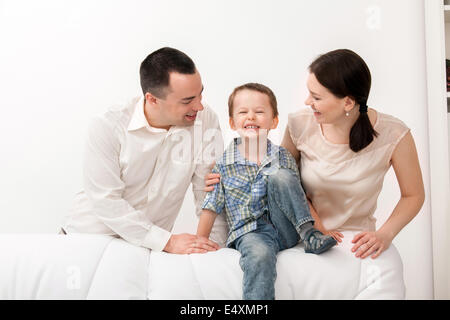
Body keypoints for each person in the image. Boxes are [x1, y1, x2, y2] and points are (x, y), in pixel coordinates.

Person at [205, 49, 425, 261]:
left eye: (316, 97)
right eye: (309, 93)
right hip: (299, 233)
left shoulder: (394, 134)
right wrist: (222, 179)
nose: (307, 102)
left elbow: (413, 195)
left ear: (347, 102)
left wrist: (386, 234)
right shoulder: (300, 123)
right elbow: (279, 182)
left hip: (352, 237)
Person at [61, 47, 227, 254]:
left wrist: (215, 249)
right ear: (152, 99)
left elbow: (210, 190)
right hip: (87, 240)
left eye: (200, 94)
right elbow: (106, 201)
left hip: (148, 251)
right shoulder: (107, 125)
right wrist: (168, 242)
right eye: (187, 101)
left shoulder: (206, 120)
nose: (199, 106)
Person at [196, 83, 336, 300]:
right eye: (243, 112)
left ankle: (310, 236)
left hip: (285, 227)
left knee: (280, 175)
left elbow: (297, 197)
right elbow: (211, 204)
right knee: (259, 256)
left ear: (274, 121)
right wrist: (199, 240)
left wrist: (321, 229)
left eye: (259, 112)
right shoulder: (224, 164)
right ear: (233, 123)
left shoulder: (283, 156)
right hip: (250, 232)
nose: (251, 117)